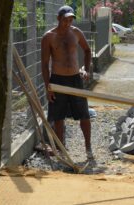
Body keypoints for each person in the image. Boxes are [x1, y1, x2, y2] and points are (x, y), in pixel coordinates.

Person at [41, 5, 93, 159]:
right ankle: (61, 148)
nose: (68, 22)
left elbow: (88, 50)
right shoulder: (49, 37)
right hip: (57, 79)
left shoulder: (76, 33)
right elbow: (44, 64)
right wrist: (48, 87)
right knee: (58, 116)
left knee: (84, 114)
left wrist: (86, 68)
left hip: (76, 79)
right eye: (65, 19)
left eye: (70, 19)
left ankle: (88, 147)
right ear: (58, 18)